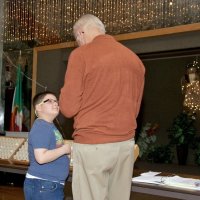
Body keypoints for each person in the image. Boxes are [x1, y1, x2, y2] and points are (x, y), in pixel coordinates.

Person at [59, 14, 145, 200]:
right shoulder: (134, 59)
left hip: (93, 143)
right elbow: (136, 108)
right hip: (125, 145)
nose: (78, 43)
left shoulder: (81, 54)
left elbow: (68, 108)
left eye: (77, 39)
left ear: (81, 33)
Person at [24, 91, 71, 200]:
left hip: (46, 184)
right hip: (44, 184)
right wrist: (64, 149)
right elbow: (41, 157)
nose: (55, 103)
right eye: (49, 101)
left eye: (56, 101)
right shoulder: (42, 126)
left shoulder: (48, 126)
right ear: (38, 107)